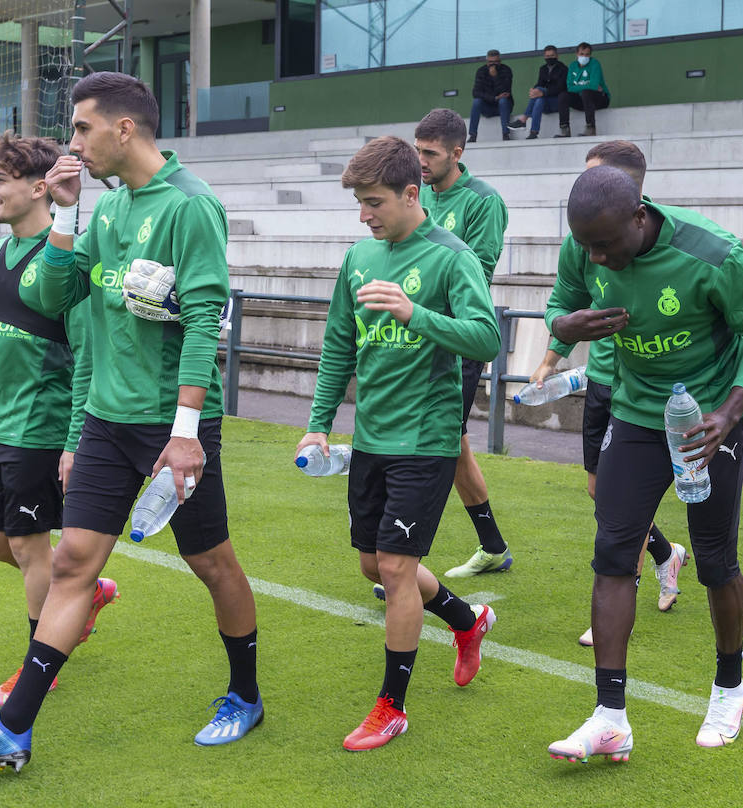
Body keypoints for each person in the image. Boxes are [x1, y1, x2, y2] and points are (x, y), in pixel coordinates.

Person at [0, 72, 263, 771]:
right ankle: (13, 729)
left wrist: (187, 431)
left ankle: (245, 695)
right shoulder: (105, 212)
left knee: (211, 562)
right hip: (106, 420)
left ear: (123, 129)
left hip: (172, 426)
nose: (71, 143)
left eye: (80, 129)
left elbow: (203, 322)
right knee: (74, 562)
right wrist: (69, 217)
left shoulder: (191, 207)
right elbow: (51, 294)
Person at [544, 165, 743, 761]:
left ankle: (729, 688)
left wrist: (730, 412)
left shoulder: (712, 255)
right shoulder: (586, 248)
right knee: (611, 553)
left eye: (606, 245)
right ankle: (609, 716)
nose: (596, 258)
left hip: (706, 422)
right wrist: (563, 326)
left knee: (715, 562)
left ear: (639, 216)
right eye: (586, 246)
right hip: (633, 413)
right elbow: (561, 307)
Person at [297, 136, 500, 751]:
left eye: (374, 201)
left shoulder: (450, 257)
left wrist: (417, 315)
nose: (365, 215)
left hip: (426, 438)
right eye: (360, 203)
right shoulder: (360, 256)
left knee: (395, 566)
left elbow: (487, 338)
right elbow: (338, 343)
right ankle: (468, 621)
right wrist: (317, 421)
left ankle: (392, 707)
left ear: (413, 194)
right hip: (371, 437)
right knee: (374, 566)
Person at [0, 130, 111, 711]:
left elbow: (85, 357)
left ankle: (39, 665)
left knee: (32, 548)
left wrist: (73, 443)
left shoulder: (68, 263)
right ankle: (79, 593)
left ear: (40, 189)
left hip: (40, 431)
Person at [528, 141, 688, 647]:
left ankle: (621, 600)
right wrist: (553, 356)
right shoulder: (584, 242)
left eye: (597, 179)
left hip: (653, 393)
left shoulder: (660, 243)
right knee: (603, 494)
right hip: (603, 383)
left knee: (625, 504)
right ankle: (666, 554)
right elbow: (568, 300)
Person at [409, 109, 515, 581]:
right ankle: (492, 545)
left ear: (457, 153)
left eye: (430, 153)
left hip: (455, 341)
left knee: (438, 442)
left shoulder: (482, 201)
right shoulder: (420, 195)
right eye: (417, 150)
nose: (421, 160)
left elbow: (480, 271)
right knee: (454, 443)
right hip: (420, 335)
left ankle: (402, 560)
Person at [506, 45, 568, 139]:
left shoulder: (563, 69)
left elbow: (561, 88)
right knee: (539, 99)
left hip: (557, 103)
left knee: (540, 92)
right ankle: (534, 132)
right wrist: (534, 90)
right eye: (547, 56)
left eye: (552, 55)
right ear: (544, 57)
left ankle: (523, 120)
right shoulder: (543, 69)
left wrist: (543, 92)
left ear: (557, 56)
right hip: (545, 102)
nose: (550, 58)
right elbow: (540, 83)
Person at [555, 42, 610, 138]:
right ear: (577, 54)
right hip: (582, 101)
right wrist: (588, 85)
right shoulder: (572, 66)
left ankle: (591, 128)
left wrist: (581, 87)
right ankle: (565, 130)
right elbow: (569, 88)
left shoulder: (594, 64)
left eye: (587, 54)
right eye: (581, 54)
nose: (584, 57)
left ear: (590, 55)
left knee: (586, 93)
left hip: (600, 99)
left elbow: (593, 86)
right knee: (563, 96)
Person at [468, 49, 514, 143]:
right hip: (488, 107)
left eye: (495, 62)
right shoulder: (481, 71)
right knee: (477, 102)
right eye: (490, 62)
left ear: (499, 61)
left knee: (503, 100)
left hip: (503, 107)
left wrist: (495, 76)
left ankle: (506, 134)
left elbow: (505, 91)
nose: (493, 64)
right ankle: (473, 135)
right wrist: (494, 98)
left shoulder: (506, 70)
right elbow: (476, 92)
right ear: (487, 61)